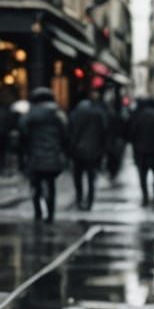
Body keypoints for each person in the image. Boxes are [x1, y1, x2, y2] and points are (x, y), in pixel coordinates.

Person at [19, 87, 68, 222]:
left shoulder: (30, 114)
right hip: (52, 155)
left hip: (35, 155)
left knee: (35, 185)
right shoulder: (58, 114)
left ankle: (38, 212)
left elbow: (22, 130)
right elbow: (65, 134)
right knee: (51, 185)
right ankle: (51, 213)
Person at [67, 90, 110, 210]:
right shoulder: (97, 113)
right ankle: (90, 200)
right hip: (93, 151)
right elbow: (104, 131)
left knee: (78, 177)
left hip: (77, 151)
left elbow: (70, 132)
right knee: (91, 177)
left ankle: (80, 198)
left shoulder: (75, 114)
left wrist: (70, 149)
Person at [128, 95, 154, 205]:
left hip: (142, 151)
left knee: (143, 176)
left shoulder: (139, 116)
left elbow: (132, 134)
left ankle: (145, 197)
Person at [105, 95, 129, 179]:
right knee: (115, 157)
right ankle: (113, 170)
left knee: (112, 156)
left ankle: (112, 170)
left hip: (113, 139)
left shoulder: (109, 115)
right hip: (118, 139)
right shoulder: (120, 116)